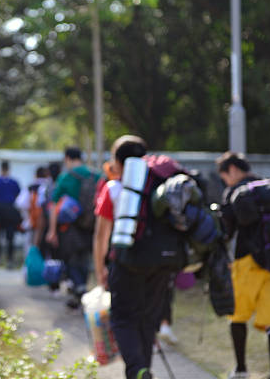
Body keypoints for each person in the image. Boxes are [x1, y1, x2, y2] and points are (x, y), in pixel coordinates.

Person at [99, 135, 185, 379]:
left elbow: (100, 236)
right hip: (162, 262)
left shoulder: (114, 188)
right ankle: (143, 370)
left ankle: (138, 370)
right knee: (148, 319)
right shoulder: (162, 186)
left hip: (127, 262)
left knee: (123, 318)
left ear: (118, 161)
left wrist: (100, 268)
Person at [217, 152, 270, 379]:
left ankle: (241, 370)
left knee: (238, 315)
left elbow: (226, 228)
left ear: (233, 170)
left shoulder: (238, 192)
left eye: (225, 176)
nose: (226, 181)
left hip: (248, 262)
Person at [45, 147, 98, 309]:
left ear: (67, 158)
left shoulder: (66, 177)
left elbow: (54, 205)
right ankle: (80, 290)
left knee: (71, 258)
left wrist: (52, 230)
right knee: (86, 257)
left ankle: (79, 287)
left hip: (70, 226)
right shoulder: (95, 175)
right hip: (91, 223)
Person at [0, 161, 21, 268]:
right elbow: (17, 197)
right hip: (11, 209)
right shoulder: (14, 182)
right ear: (8, 169)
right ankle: (10, 260)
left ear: (1, 169)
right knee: (10, 236)